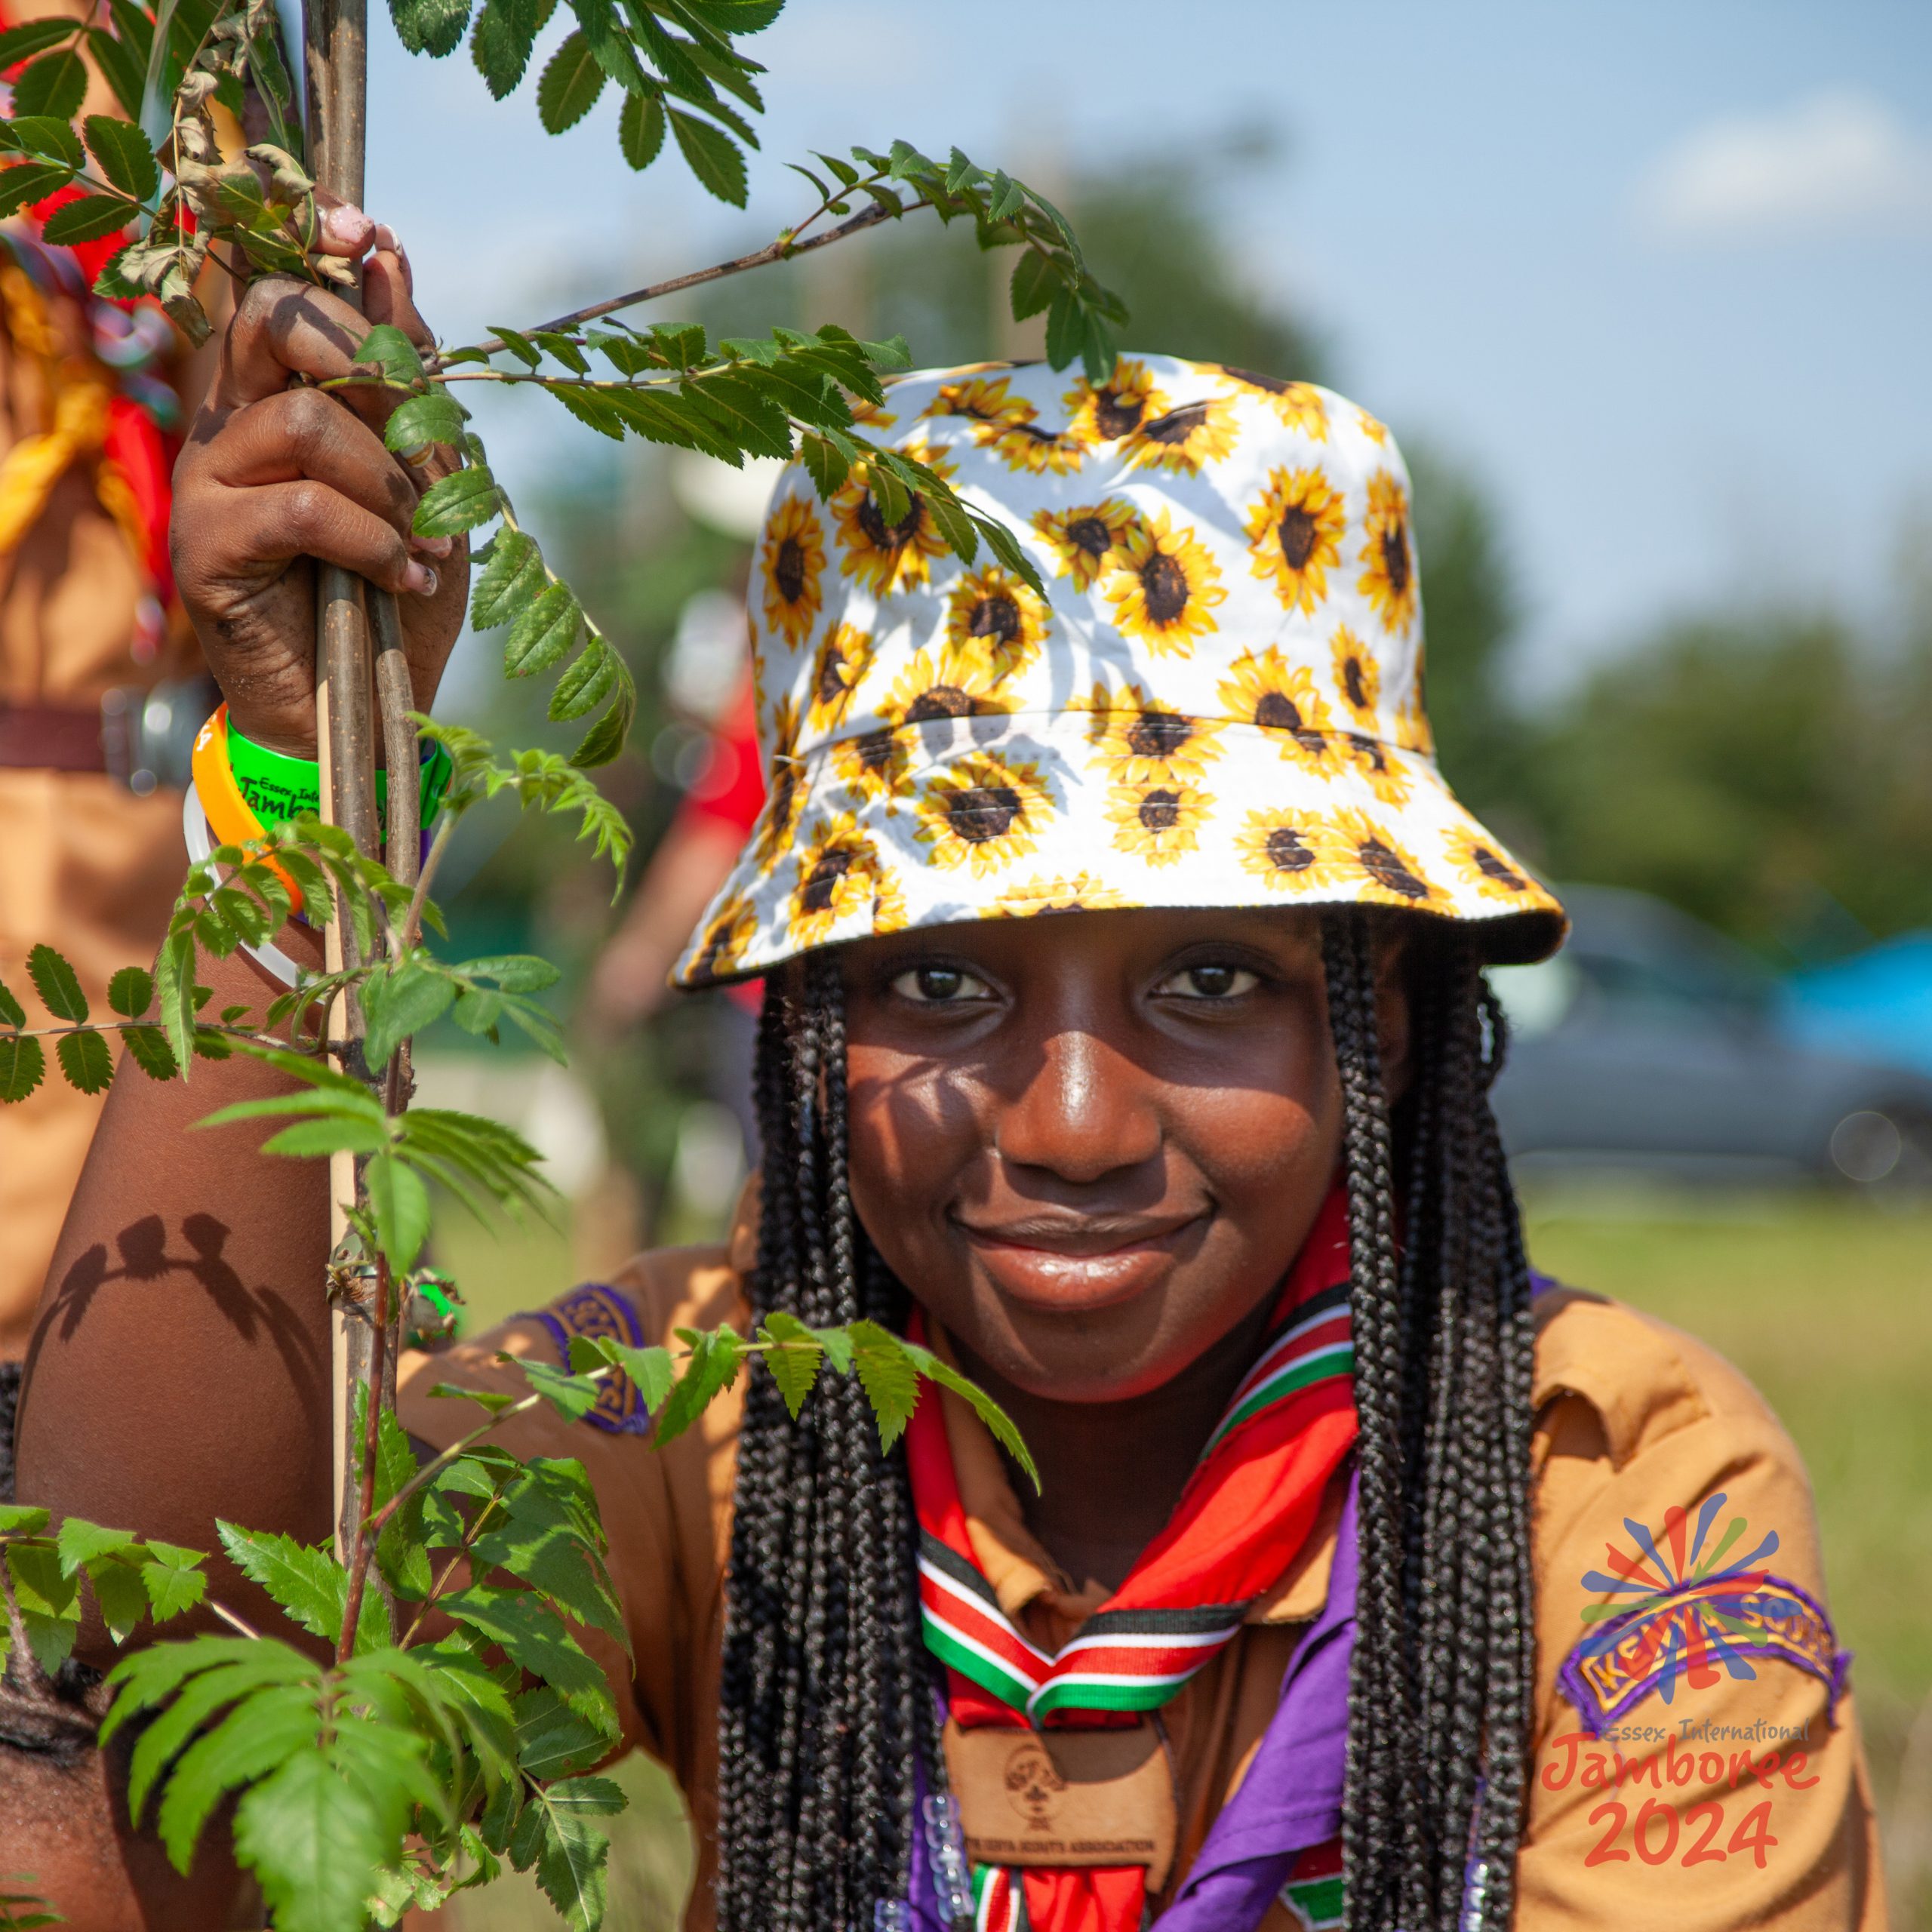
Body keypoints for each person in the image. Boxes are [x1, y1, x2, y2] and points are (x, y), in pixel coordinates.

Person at [12, 239, 1885, 1932]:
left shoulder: (1615, 1493)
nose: (1068, 1125)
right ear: (808, 1022)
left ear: (1376, 1017)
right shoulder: (703, 1405)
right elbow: (176, 1720)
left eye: (1211, 977)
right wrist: (292, 792)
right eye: (935, 978)